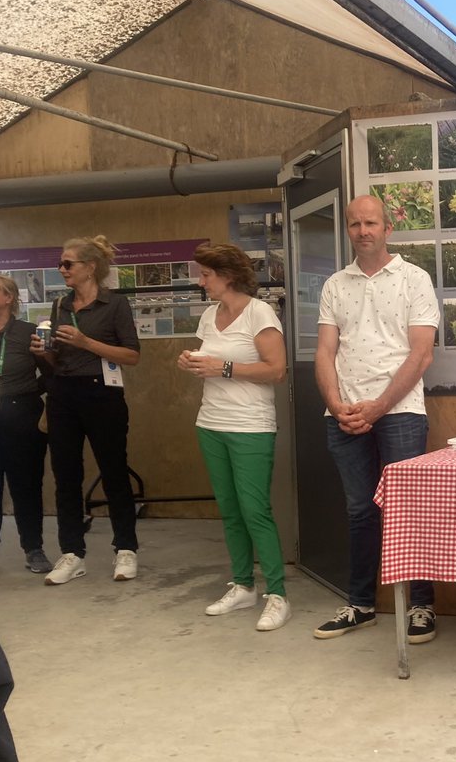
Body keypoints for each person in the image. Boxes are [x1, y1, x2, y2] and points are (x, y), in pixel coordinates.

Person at [313, 195, 439, 642]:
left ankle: (422, 606)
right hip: (344, 415)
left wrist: (379, 405)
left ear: (388, 228)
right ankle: (361, 604)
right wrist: (337, 403)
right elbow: (325, 352)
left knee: (409, 511)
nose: (362, 231)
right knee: (360, 511)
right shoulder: (334, 285)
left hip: (399, 412)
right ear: (347, 231)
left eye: (370, 223)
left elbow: (421, 353)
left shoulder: (414, 279)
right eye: (354, 224)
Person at [178, 244, 290, 631]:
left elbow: (277, 370)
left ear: (227, 275)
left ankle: (277, 595)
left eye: (206, 274)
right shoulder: (210, 315)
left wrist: (221, 367)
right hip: (211, 422)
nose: (201, 281)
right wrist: (193, 363)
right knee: (229, 511)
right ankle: (243, 586)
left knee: (255, 510)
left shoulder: (260, 312)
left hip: (251, 426)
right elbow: (210, 361)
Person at [30, 236, 142, 585]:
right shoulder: (60, 304)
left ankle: (125, 549)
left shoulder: (115, 305)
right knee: (65, 475)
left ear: (90, 267)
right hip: (62, 393)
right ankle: (72, 552)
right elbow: (57, 359)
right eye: (60, 264)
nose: (61, 269)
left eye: (68, 264)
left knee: (113, 472)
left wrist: (85, 342)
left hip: (102, 393)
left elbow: (131, 355)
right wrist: (42, 352)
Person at [0, 274, 51, 578]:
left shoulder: (28, 332)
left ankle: (34, 549)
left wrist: (27, 392)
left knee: (26, 485)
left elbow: (51, 372)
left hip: (22, 415)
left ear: (8, 298)